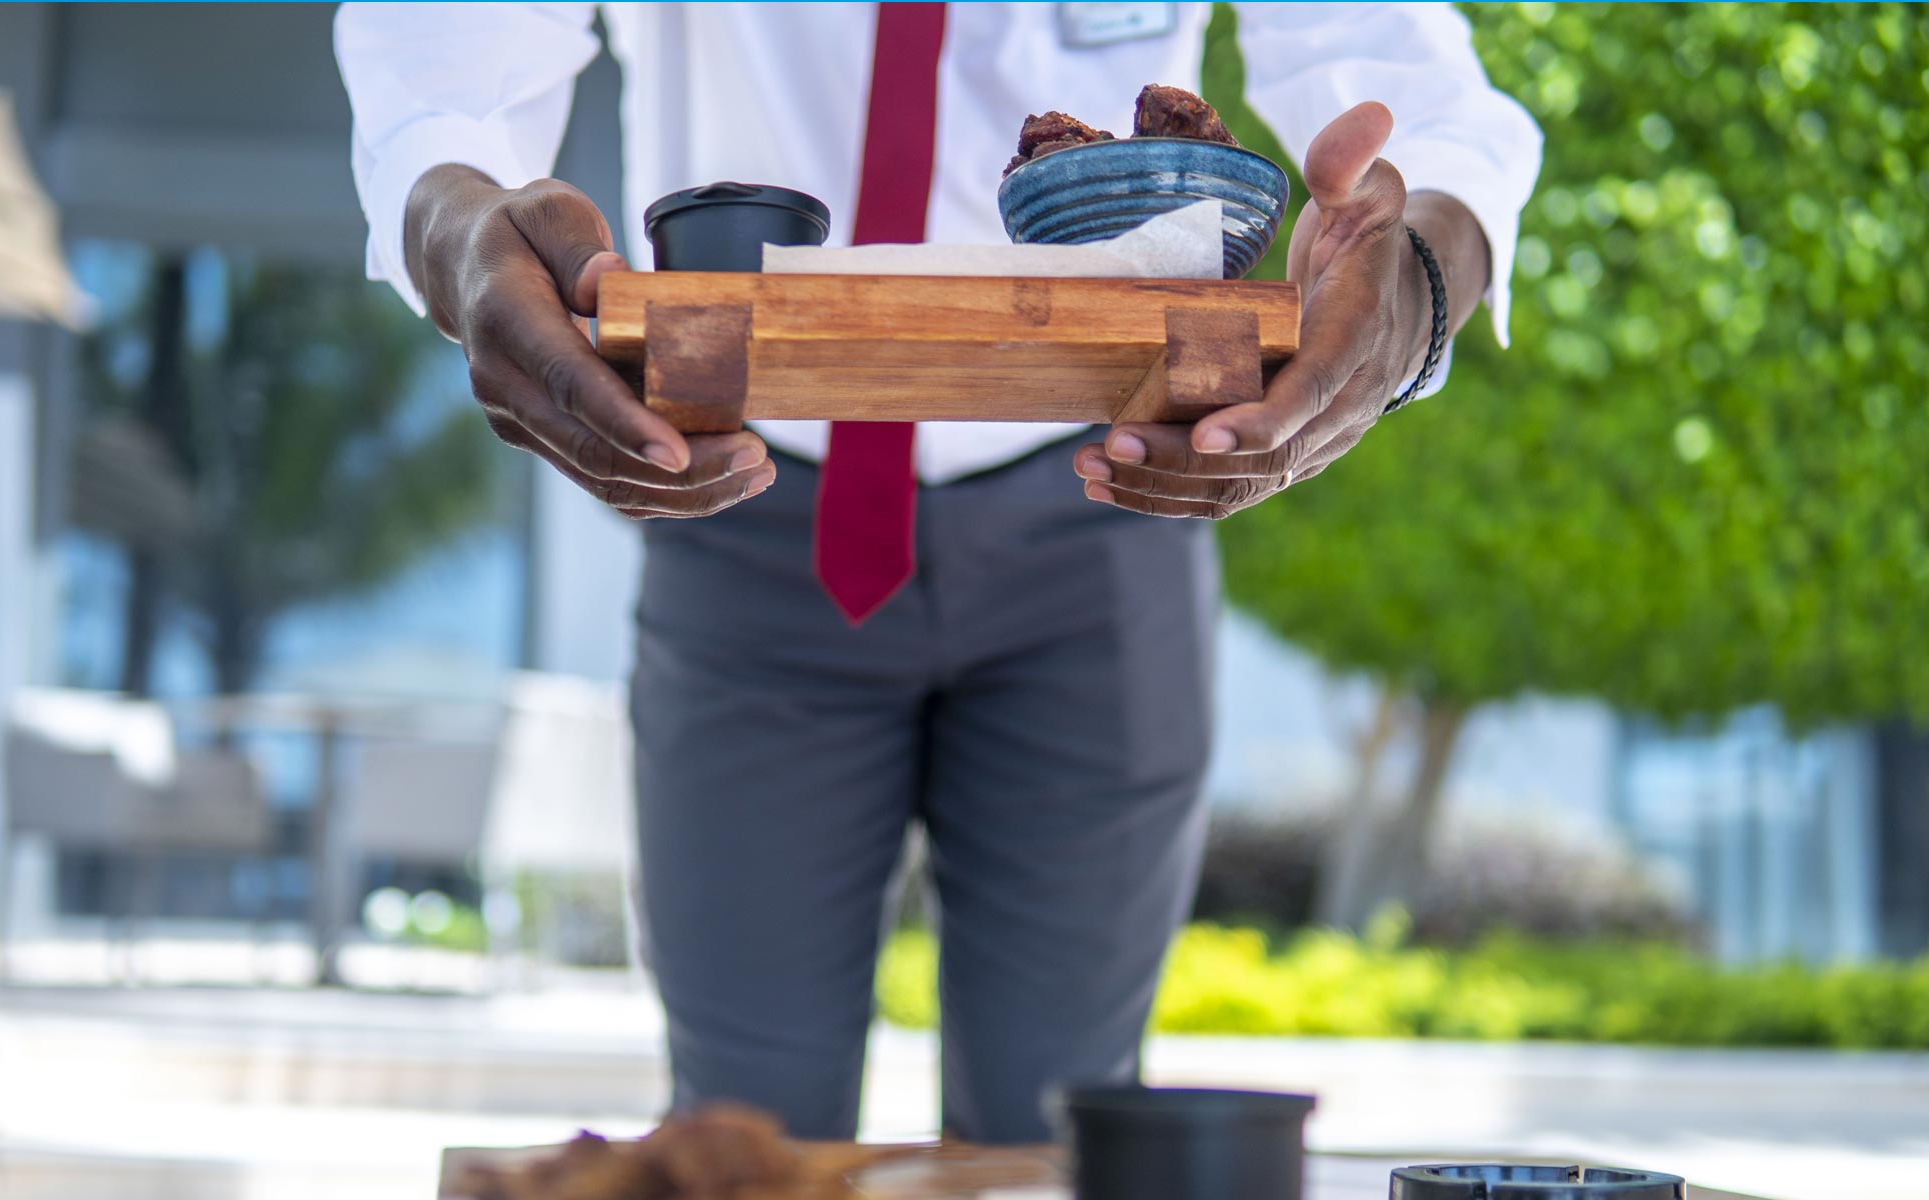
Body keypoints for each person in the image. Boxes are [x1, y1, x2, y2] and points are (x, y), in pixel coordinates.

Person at [336, 1, 1539, 1144]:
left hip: (1102, 501)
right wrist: (448, 207)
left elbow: (1417, 94)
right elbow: (452, 51)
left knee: (1061, 1137)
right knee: (745, 1139)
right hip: (746, 501)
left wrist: (1420, 281)